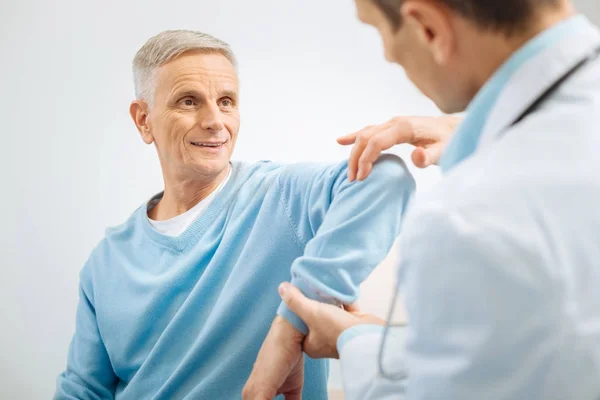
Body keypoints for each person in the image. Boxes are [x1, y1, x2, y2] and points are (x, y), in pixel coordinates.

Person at [244, 0, 600, 399]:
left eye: (378, 30)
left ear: (428, 28)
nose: (387, 54)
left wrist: (357, 340)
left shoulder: (466, 221)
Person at [53, 30, 423, 400]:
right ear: (143, 120)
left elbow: (386, 180)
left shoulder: (282, 197)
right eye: (188, 101)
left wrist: (292, 323)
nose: (215, 120)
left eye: (226, 101)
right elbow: (83, 390)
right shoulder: (106, 261)